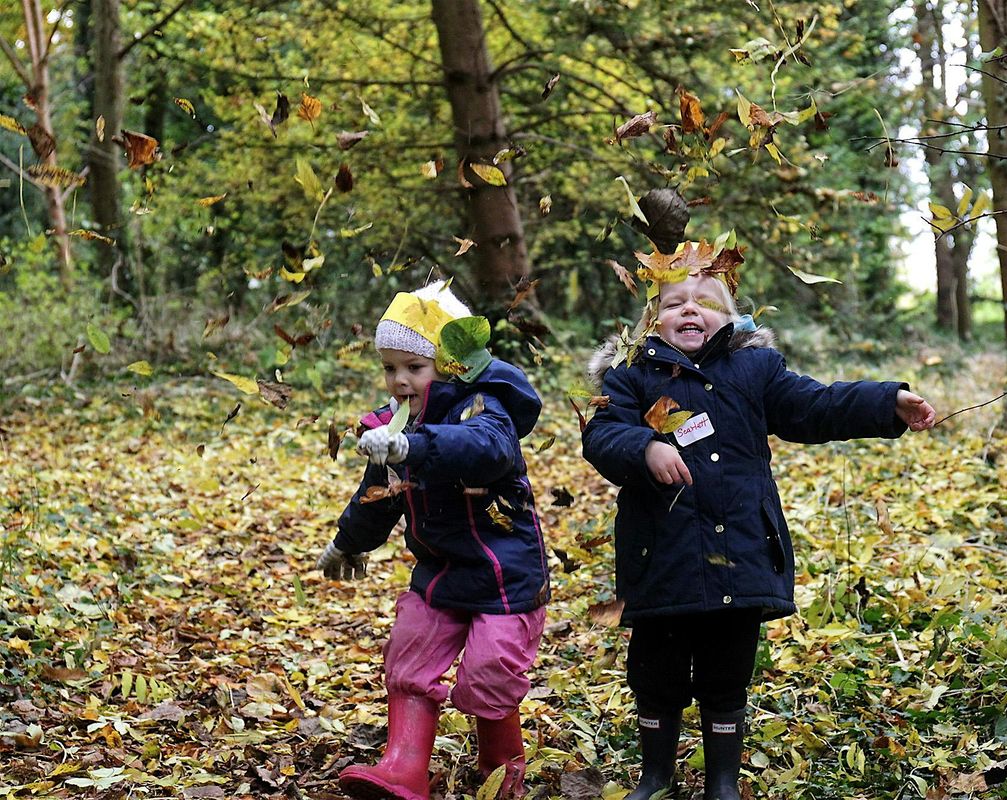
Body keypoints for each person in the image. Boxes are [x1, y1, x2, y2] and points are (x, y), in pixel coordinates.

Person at [581, 243, 935, 800]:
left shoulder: (754, 367)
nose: (690, 311)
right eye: (674, 303)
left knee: (727, 670)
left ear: (731, 318)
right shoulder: (630, 376)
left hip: (741, 547)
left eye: (705, 302)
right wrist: (645, 446)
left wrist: (886, 402)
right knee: (658, 670)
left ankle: (723, 779)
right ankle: (656, 774)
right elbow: (601, 436)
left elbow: (816, 406)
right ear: (651, 320)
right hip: (662, 552)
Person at [316, 280, 549, 800]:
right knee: (409, 654)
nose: (399, 381)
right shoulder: (394, 426)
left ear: (448, 364)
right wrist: (349, 542)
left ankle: (500, 769)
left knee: (488, 675)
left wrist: (413, 445)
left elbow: (487, 450)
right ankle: (403, 768)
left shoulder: (484, 406)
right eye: (389, 368)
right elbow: (379, 495)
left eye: (413, 368)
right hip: (438, 574)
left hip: (504, 575)